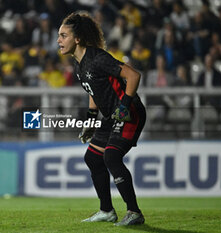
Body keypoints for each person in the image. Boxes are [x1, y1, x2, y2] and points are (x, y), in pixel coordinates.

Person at [57, 12, 146, 226]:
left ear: (77, 39)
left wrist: (124, 106)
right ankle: (106, 210)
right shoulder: (80, 64)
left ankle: (134, 212)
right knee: (93, 158)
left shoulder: (97, 58)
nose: (58, 40)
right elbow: (94, 91)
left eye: (63, 35)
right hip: (110, 116)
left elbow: (133, 76)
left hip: (129, 113)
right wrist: (90, 121)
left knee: (111, 158)